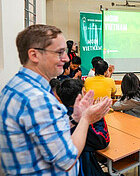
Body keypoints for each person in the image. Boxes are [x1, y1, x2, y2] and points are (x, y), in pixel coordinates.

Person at [0, 24, 112, 175]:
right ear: (34, 55)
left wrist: (75, 118)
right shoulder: (38, 99)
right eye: (59, 52)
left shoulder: (17, 86)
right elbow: (67, 159)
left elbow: (44, 133)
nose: (66, 58)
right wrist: (86, 119)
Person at [58, 78, 110, 176]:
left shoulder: (62, 114)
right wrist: (98, 116)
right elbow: (103, 141)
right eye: (83, 92)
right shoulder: (80, 122)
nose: (86, 93)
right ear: (79, 98)